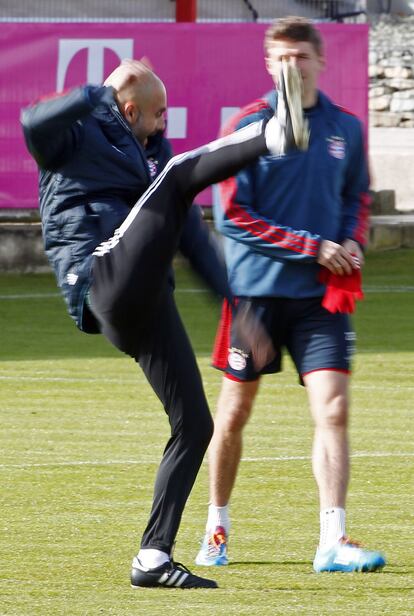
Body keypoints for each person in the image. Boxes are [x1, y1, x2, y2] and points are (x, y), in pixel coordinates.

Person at [21, 59, 296, 589]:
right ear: (128, 110)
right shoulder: (74, 136)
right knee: (173, 182)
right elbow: (33, 123)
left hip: (144, 302)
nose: (165, 122)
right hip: (98, 278)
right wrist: (91, 93)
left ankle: (152, 558)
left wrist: (237, 309)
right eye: (158, 113)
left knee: (195, 423)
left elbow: (192, 237)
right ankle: (271, 135)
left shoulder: (154, 154)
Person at [195, 17, 386, 573]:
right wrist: (311, 246)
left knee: (334, 407)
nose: (291, 66)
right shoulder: (250, 125)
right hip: (254, 298)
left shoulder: (345, 128)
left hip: (318, 300)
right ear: (267, 63)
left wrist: (350, 239)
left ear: (320, 62)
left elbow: (359, 193)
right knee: (233, 414)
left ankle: (332, 539)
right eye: (280, 57)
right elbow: (231, 216)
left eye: (300, 56)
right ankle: (217, 526)